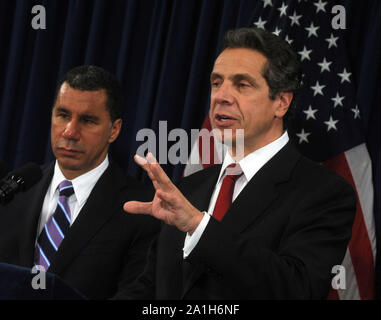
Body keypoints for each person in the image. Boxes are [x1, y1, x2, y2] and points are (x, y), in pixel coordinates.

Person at [117, 28, 356, 299]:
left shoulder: (323, 192)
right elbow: (151, 289)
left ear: (281, 102)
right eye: (217, 82)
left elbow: (297, 288)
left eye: (242, 85)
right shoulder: (187, 189)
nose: (221, 96)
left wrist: (199, 226)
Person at [0, 65, 160, 299]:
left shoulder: (142, 208)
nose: (70, 132)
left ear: (114, 130)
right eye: (63, 115)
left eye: (87, 120)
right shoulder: (14, 192)